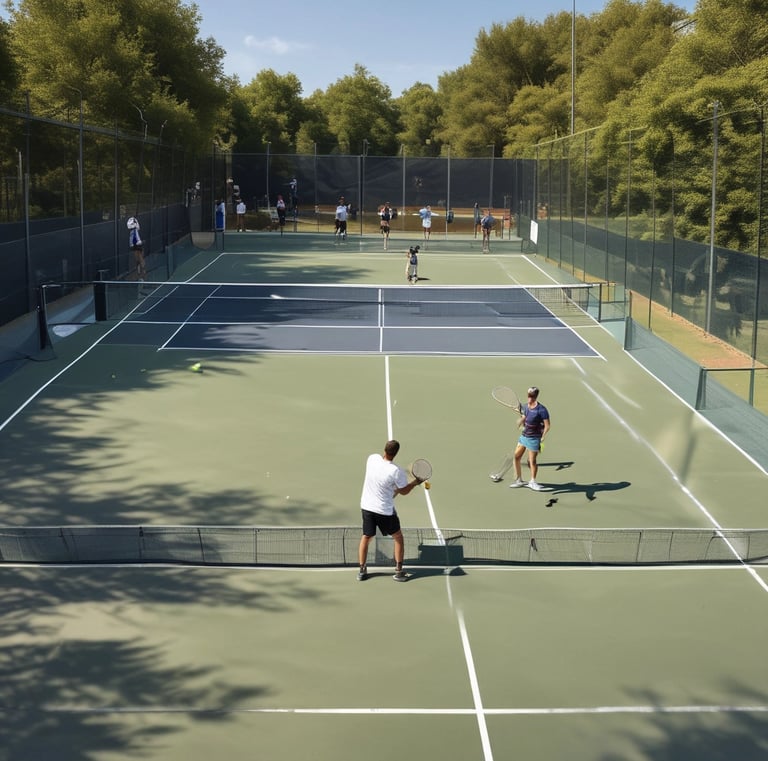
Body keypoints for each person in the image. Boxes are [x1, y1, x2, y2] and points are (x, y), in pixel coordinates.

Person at [358, 439, 425, 582]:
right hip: (384, 512)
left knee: (366, 536)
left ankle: (362, 570)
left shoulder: (372, 459)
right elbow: (404, 491)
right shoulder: (396, 471)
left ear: (384, 449)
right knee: (398, 538)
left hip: (367, 507)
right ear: (396, 453)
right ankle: (399, 571)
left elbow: (389, 485)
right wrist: (415, 483)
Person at [490, 386, 550, 490]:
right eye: (528, 395)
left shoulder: (542, 410)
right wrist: (521, 421)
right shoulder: (526, 407)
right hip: (524, 437)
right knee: (516, 457)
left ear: (535, 396)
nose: (529, 397)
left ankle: (533, 482)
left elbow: (547, 425)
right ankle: (519, 480)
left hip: (534, 438)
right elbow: (524, 416)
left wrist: (543, 437)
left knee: (532, 461)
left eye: (531, 396)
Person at [127, 216, 146, 280]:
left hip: (137, 245)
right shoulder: (133, 231)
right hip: (136, 245)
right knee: (138, 259)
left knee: (140, 258)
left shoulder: (135, 231)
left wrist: (139, 242)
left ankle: (142, 271)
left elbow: (136, 238)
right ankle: (139, 272)